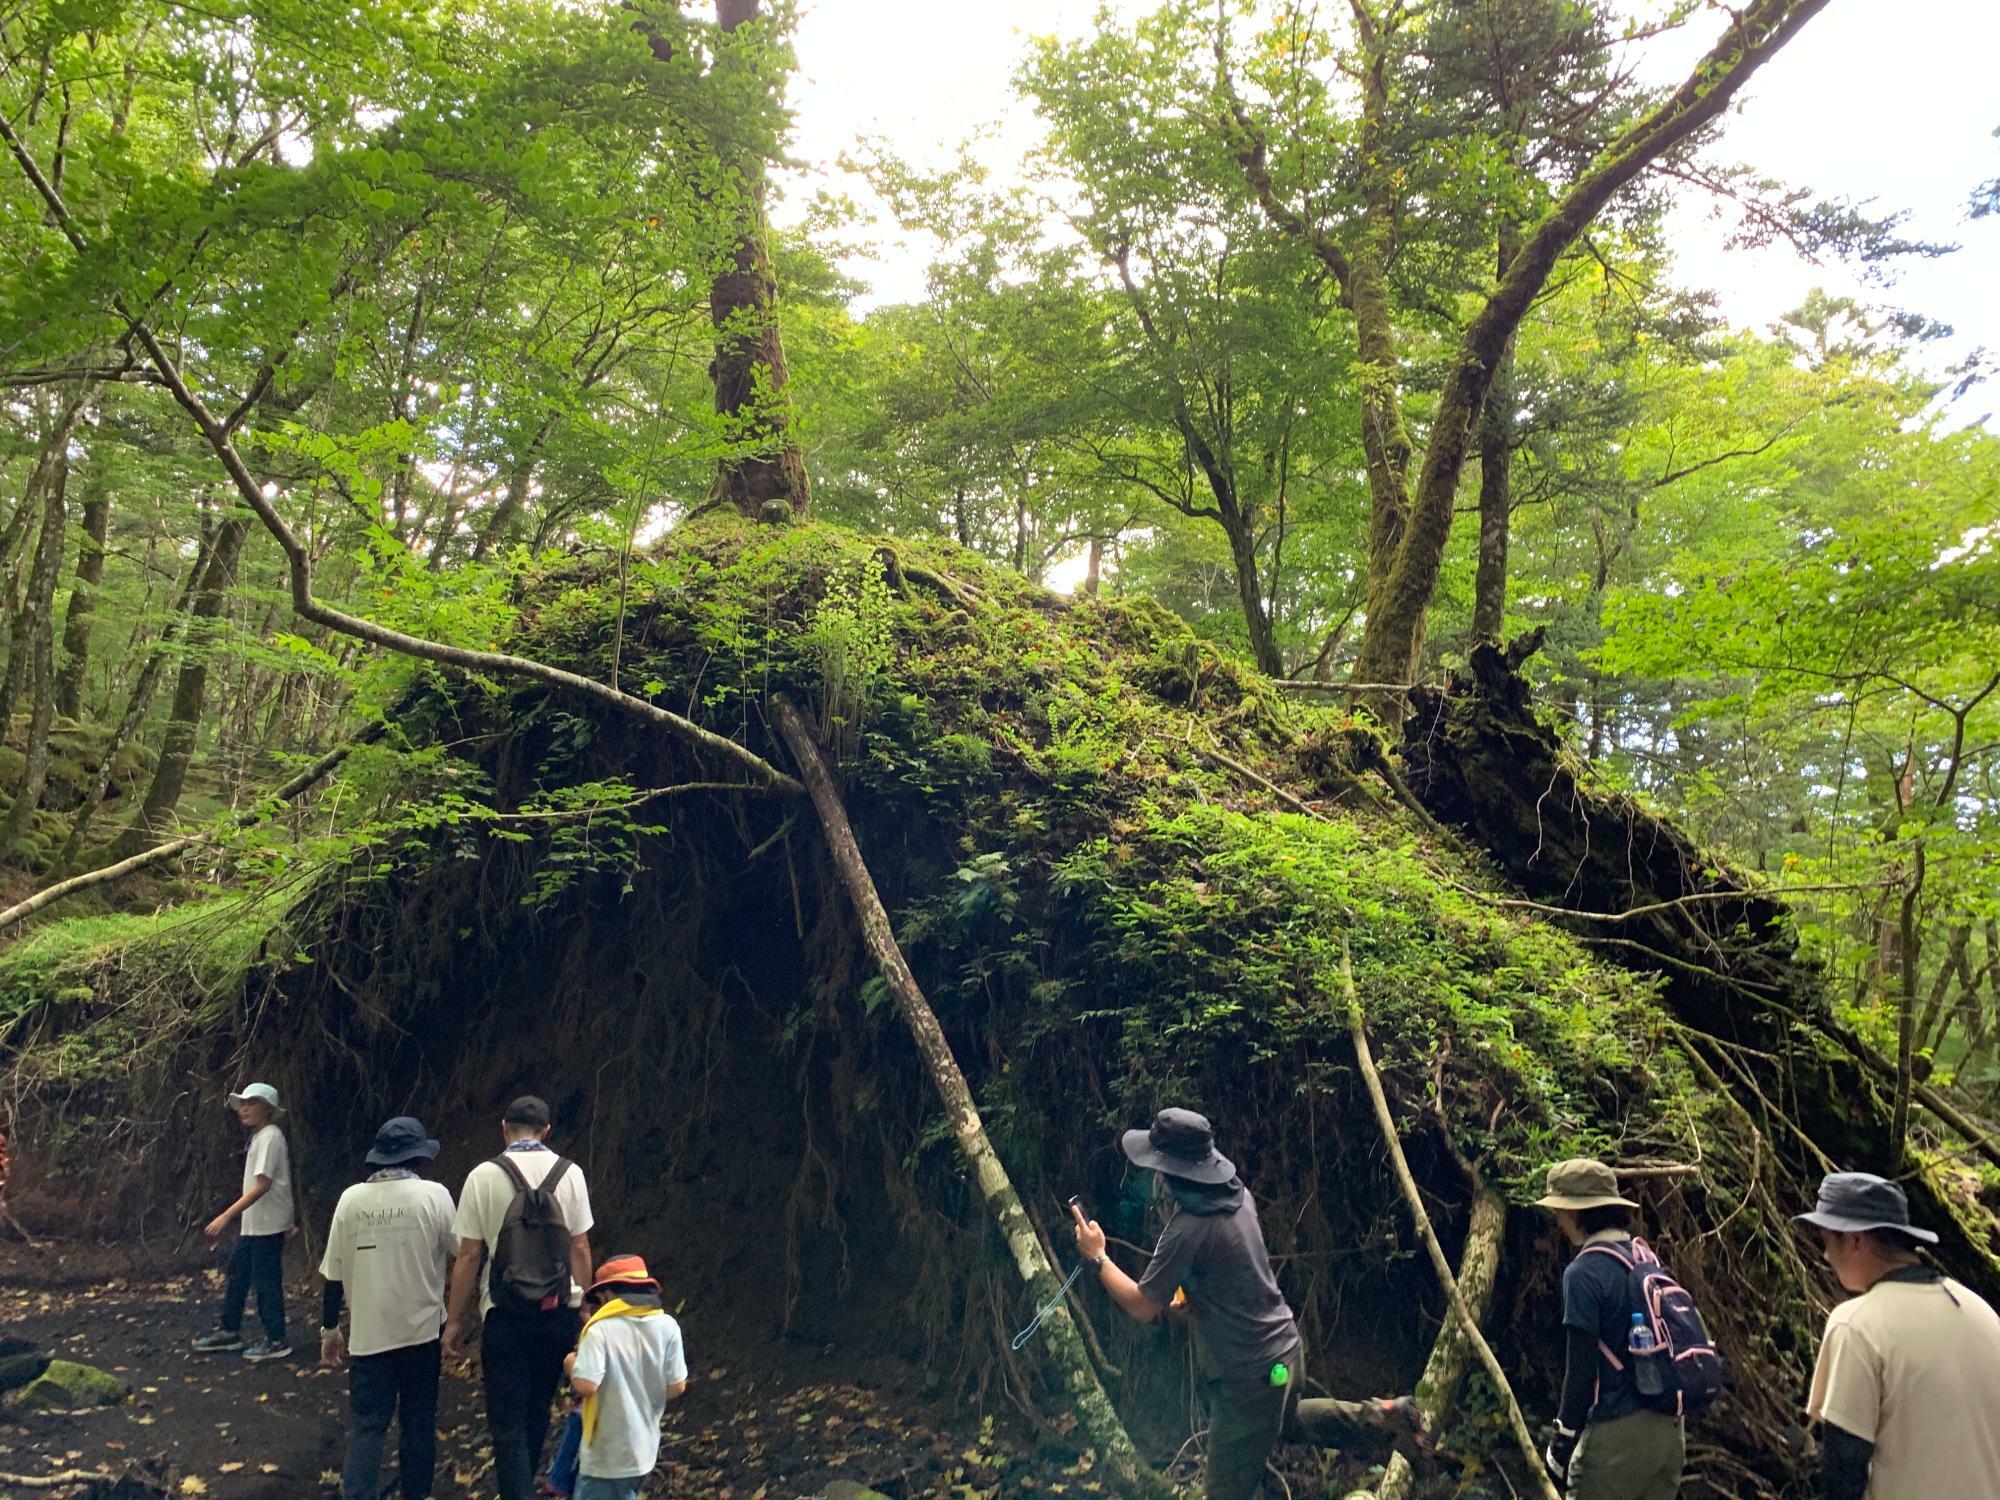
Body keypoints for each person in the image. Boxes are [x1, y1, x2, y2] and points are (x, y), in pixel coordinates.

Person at [1070, 1107, 1422, 1500]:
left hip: (1249, 1381)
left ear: (1170, 1172)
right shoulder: (1240, 1198)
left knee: (1224, 1491)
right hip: (1285, 1357)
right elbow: (1229, 1274)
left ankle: (1383, 1420)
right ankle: (1385, 1417)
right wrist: (1192, 1300)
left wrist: (1097, 1257)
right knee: (1284, 1419)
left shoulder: (1186, 1230)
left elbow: (1142, 1307)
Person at [1796, 1171, 2000, 1500]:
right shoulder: (1982, 1313)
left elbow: (1845, 1465)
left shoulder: (1857, 1325)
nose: (1826, 1256)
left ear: (1855, 1239)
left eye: (1827, 1241)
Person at [444, 1095, 595, 1500]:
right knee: (538, 1406)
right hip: (556, 1312)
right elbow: (579, 1247)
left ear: (504, 1127)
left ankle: (516, 1491)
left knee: (506, 1420)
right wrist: (585, 1307)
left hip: (504, 1312)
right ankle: (522, 1487)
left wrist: (454, 1320)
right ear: (546, 1131)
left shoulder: (482, 1175)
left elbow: (469, 1254)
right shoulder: (571, 1174)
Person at [319, 1115, 459, 1500]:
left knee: (367, 1428)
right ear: (418, 1158)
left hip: (368, 1339)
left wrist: (330, 1330)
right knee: (418, 1425)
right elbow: (464, 1251)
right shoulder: (435, 1195)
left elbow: (332, 1273)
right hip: (421, 1335)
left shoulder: (350, 1200)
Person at [1533, 1158, 1683, 1500]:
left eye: (1561, 1210)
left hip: (1617, 1434)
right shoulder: (1644, 1257)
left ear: (1577, 1213)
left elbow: (1581, 1370)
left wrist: (1562, 1440)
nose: (1559, 1220)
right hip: (1669, 1430)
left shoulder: (1584, 1272)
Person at [561, 1254, 688, 1500]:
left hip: (605, 1455)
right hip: (643, 1451)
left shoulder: (600, 1331)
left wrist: (571, 1365)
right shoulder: (667, 1326)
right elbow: (677, 1386)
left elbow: (587, 1386)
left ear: (607, 1296)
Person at [193, 1082, 295, 1361]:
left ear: (268, 1109)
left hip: (267, 1225)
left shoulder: (271, 1136)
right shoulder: (260, 1136)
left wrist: (226, 1216)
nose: (245, 1109)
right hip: (256, 1225)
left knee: (266, 1281)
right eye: (243, 1103)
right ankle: (230, 1331)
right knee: (238, 1274)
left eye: (252, 1103)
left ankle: (277, 1339)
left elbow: (263, 1185)